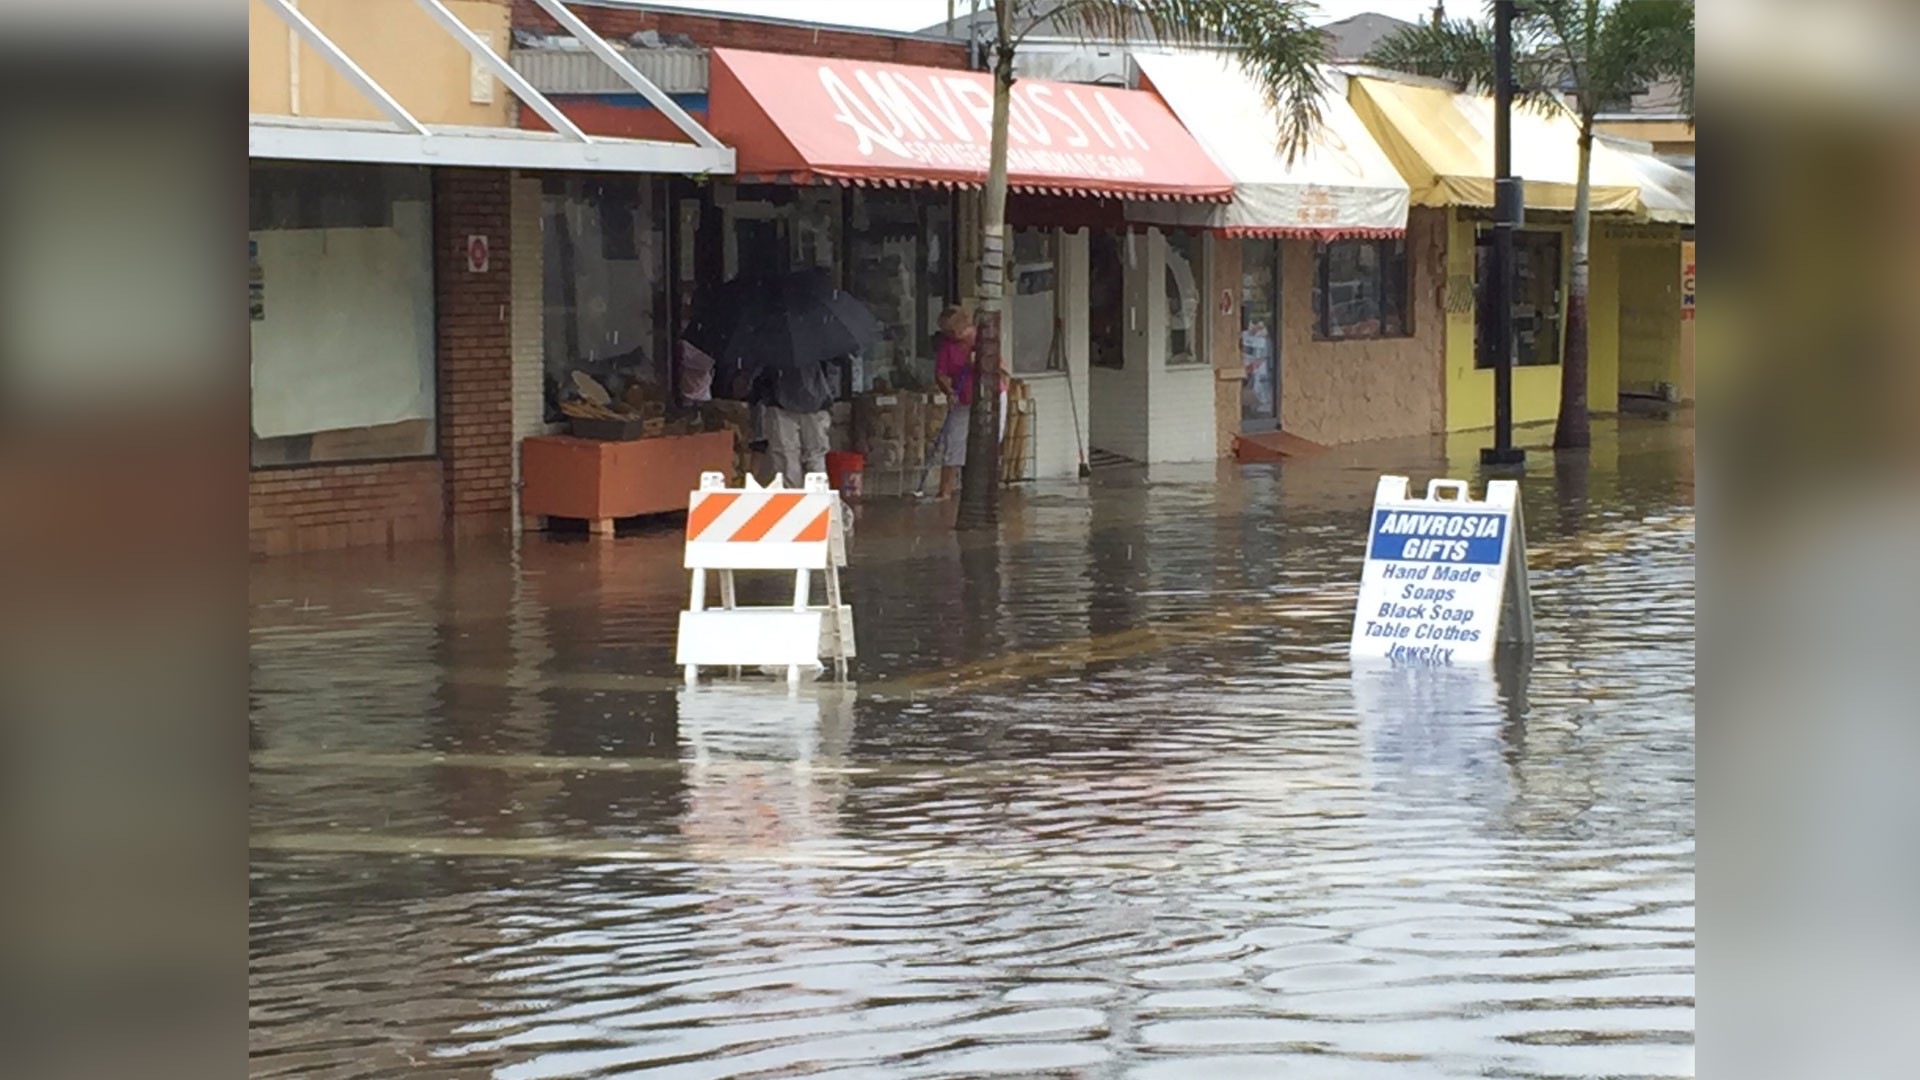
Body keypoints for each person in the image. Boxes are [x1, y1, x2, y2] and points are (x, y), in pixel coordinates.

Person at [932, 305, 1008, 500]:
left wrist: (979, 363)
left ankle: (987, 489)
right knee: (953, 444)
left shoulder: (983, 339)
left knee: (990, 440)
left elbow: (1000, 367)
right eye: (946, 331)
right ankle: (945, 492)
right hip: (962, 399)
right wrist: (949, 392)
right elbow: (941, 374)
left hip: (990, 397)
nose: (950, 334)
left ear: (965, 325)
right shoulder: (947, 346)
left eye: (952, 330)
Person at [762, 355, 834, 489]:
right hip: (815, 402)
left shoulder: (771, 343)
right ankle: (818, 499)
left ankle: (793, 500)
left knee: (786, 458)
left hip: (781, 403)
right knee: (815, 456)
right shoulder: (823, 342)